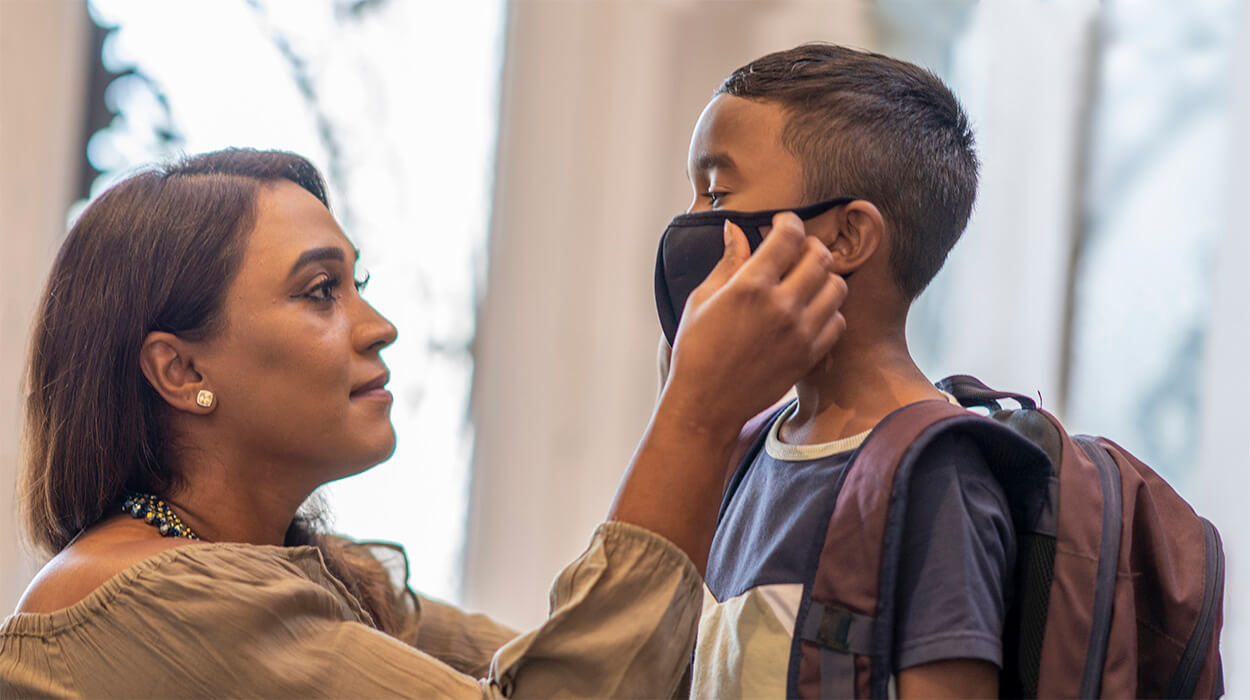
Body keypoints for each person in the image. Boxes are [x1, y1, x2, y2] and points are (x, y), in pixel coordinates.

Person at [0, 148, 848, 697]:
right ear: (180, 370)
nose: (378, 326)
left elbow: (603, 664)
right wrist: (691, 420)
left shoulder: (329, 581)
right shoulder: (160, 601)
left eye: (356, 284)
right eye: (319, 291)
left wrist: (716, 433)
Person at [656, 44, 1012, 698]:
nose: (690, 226)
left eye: (717, 193)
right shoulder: (742, 452)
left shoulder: (934, 478)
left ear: (845, 239)